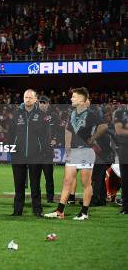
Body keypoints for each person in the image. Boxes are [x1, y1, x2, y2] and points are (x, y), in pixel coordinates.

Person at [45, 87, 108, 220]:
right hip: (73, 151)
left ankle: (84, 212)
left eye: (74, 96)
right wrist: (67, 146)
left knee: (86, 183)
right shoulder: (72, 113)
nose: (71, 98)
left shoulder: (91, 114)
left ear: (81, 99)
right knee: (67, 181)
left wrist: (93, 138)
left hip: (85, 151)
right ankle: (60, 211)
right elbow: (68, 130)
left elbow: (104, 126)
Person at [8, 89, 48, 217]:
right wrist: (11, 148)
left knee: (35, 184)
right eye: (26, 97)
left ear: (36, 99)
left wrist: (43, 150)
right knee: (18, 184)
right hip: (18, 154)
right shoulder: (16, 114)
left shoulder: (41, 115)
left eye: (30, 97)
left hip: (35, 155)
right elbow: (11, 133)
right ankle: (17, 210)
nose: (28, 99)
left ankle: (37, 210)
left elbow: (45, 136)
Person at [39, 95, 61, 203]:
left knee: (48, 176)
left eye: (45, 103)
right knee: (35, 177)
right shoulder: (34, 115)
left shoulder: (54, 116)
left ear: (48, 104)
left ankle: (50, 197)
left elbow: (60, 129)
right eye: (41, 102)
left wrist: (55, 139)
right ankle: (36, 197)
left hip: (48, 151)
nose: (42, 105)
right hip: (36, 152)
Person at [111, 104, 128, 214]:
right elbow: (119, 130)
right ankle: (126, 207)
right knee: (126, 178)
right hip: (125, 148)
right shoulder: (120, 112)